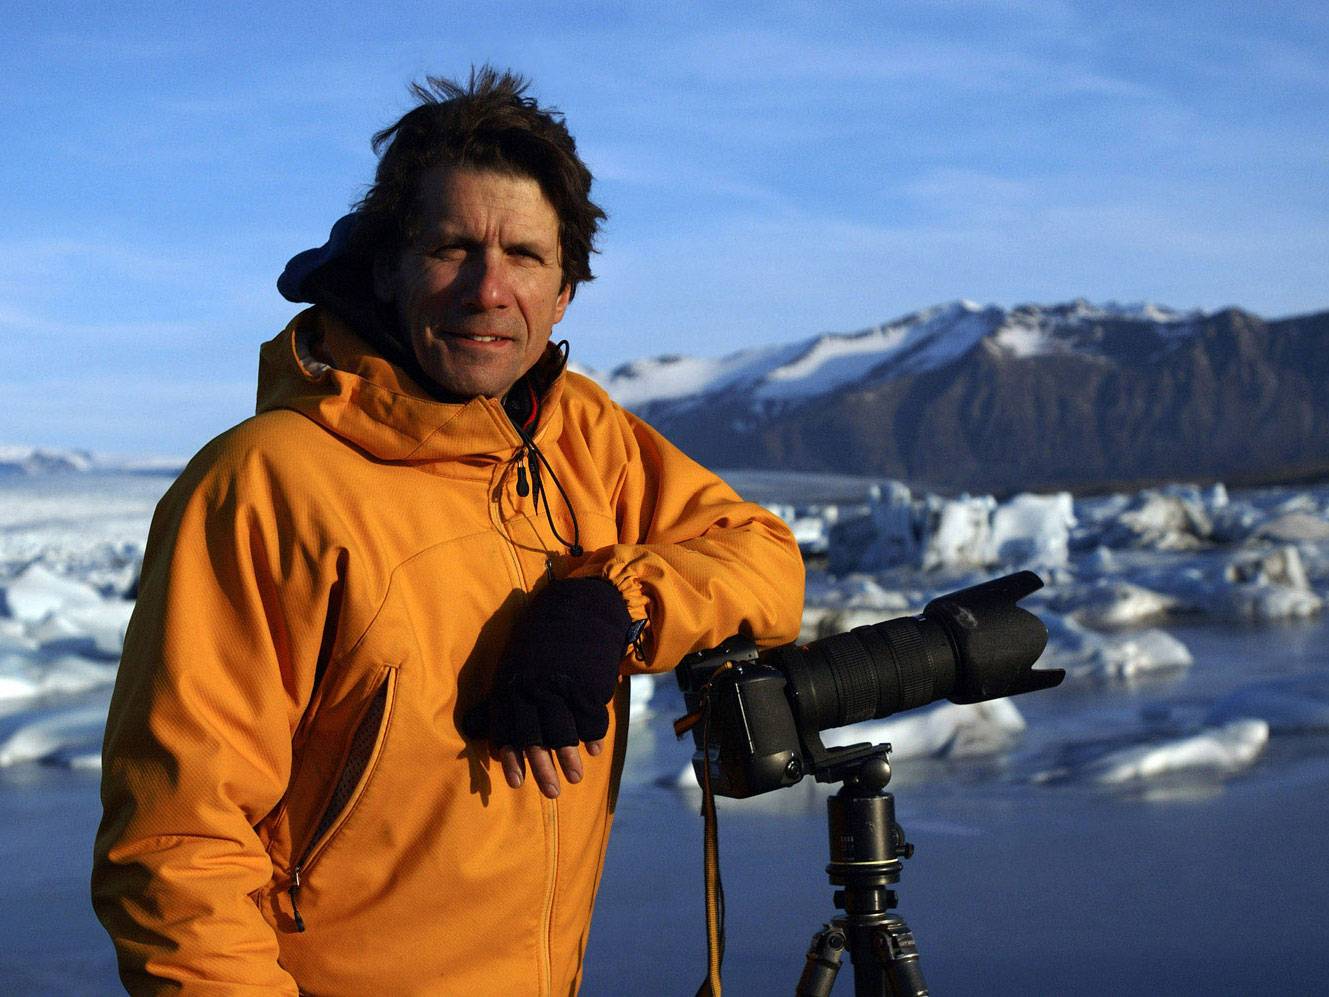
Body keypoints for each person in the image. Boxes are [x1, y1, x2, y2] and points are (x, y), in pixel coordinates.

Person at [92, 67, 804, 994]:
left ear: (565, 295)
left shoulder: (578, 434)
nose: (487, 289)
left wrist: (613, 605)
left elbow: (760, 558)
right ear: (388, 267)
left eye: (525, 257)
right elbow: (177, 849)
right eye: (451, 248)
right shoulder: (266, 485)